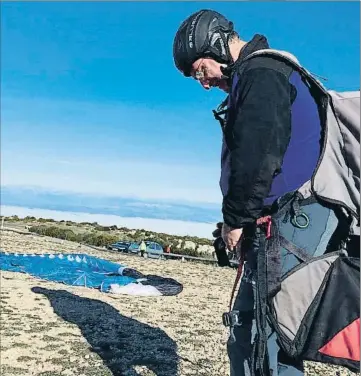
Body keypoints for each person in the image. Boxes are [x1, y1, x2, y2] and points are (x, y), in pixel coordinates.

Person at [172, 8, 359, 376]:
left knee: (273, 336)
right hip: (276, 223)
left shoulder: (264, 72)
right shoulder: (256, 76)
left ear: (216, 43)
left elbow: (258, 154)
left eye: (199, 71)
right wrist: (239, 222)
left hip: (294, 221)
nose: (204, 83)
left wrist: (236, 219)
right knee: (247, 326)